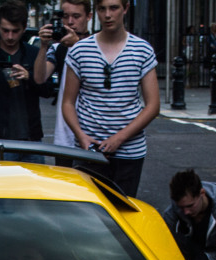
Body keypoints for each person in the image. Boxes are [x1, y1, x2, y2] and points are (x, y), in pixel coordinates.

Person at [61, 0, 160, 196]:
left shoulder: (141, 50)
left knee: (123, 213)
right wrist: (81, 136)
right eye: (101, 9)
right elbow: (68, 102)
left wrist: (120, 138)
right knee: (89, 213)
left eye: (113, 8)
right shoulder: (80, 50)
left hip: (129, 151)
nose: (107, 15)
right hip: (89, 149)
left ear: (125, 9)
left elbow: (153, 105)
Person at [0, 1, 52, 150]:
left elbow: (48, 90)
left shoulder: (33, 54)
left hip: (31, 138)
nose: (10, 36)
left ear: (24, 28)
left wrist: (29, 77)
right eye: (5, 31)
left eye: (15, 31)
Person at [34, 0, 93, 151]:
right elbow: (40, 78)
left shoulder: (97, 45)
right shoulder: (58, 48)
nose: (70, 22)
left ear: (89, 16)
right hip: (65, 137)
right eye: (65, 16)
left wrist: (77, 44)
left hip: (94, 133)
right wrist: (43, 46)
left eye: (76, 16)